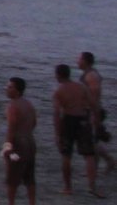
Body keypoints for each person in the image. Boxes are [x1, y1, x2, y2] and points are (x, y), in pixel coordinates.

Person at [56, 63, 99, 198]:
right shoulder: (81, 87)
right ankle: (91, 187)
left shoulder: (59, 91)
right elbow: (94, 105)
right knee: (89, 155)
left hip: (68, 121)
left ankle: (68, 188)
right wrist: (95, 121)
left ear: (58, 75)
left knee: (66, 155)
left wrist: (57, 133)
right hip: (83, 120)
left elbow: (56, 114)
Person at [7, 77, 40, 205]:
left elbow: (12, 127)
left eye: (10, 87)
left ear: (17, 90)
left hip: (19, 143)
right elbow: (34, 123)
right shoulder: (28, 104)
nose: (7, 89)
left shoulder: (12, 106)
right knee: (29, 178)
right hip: (30, 141)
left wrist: (8, 145)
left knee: (12, 179)